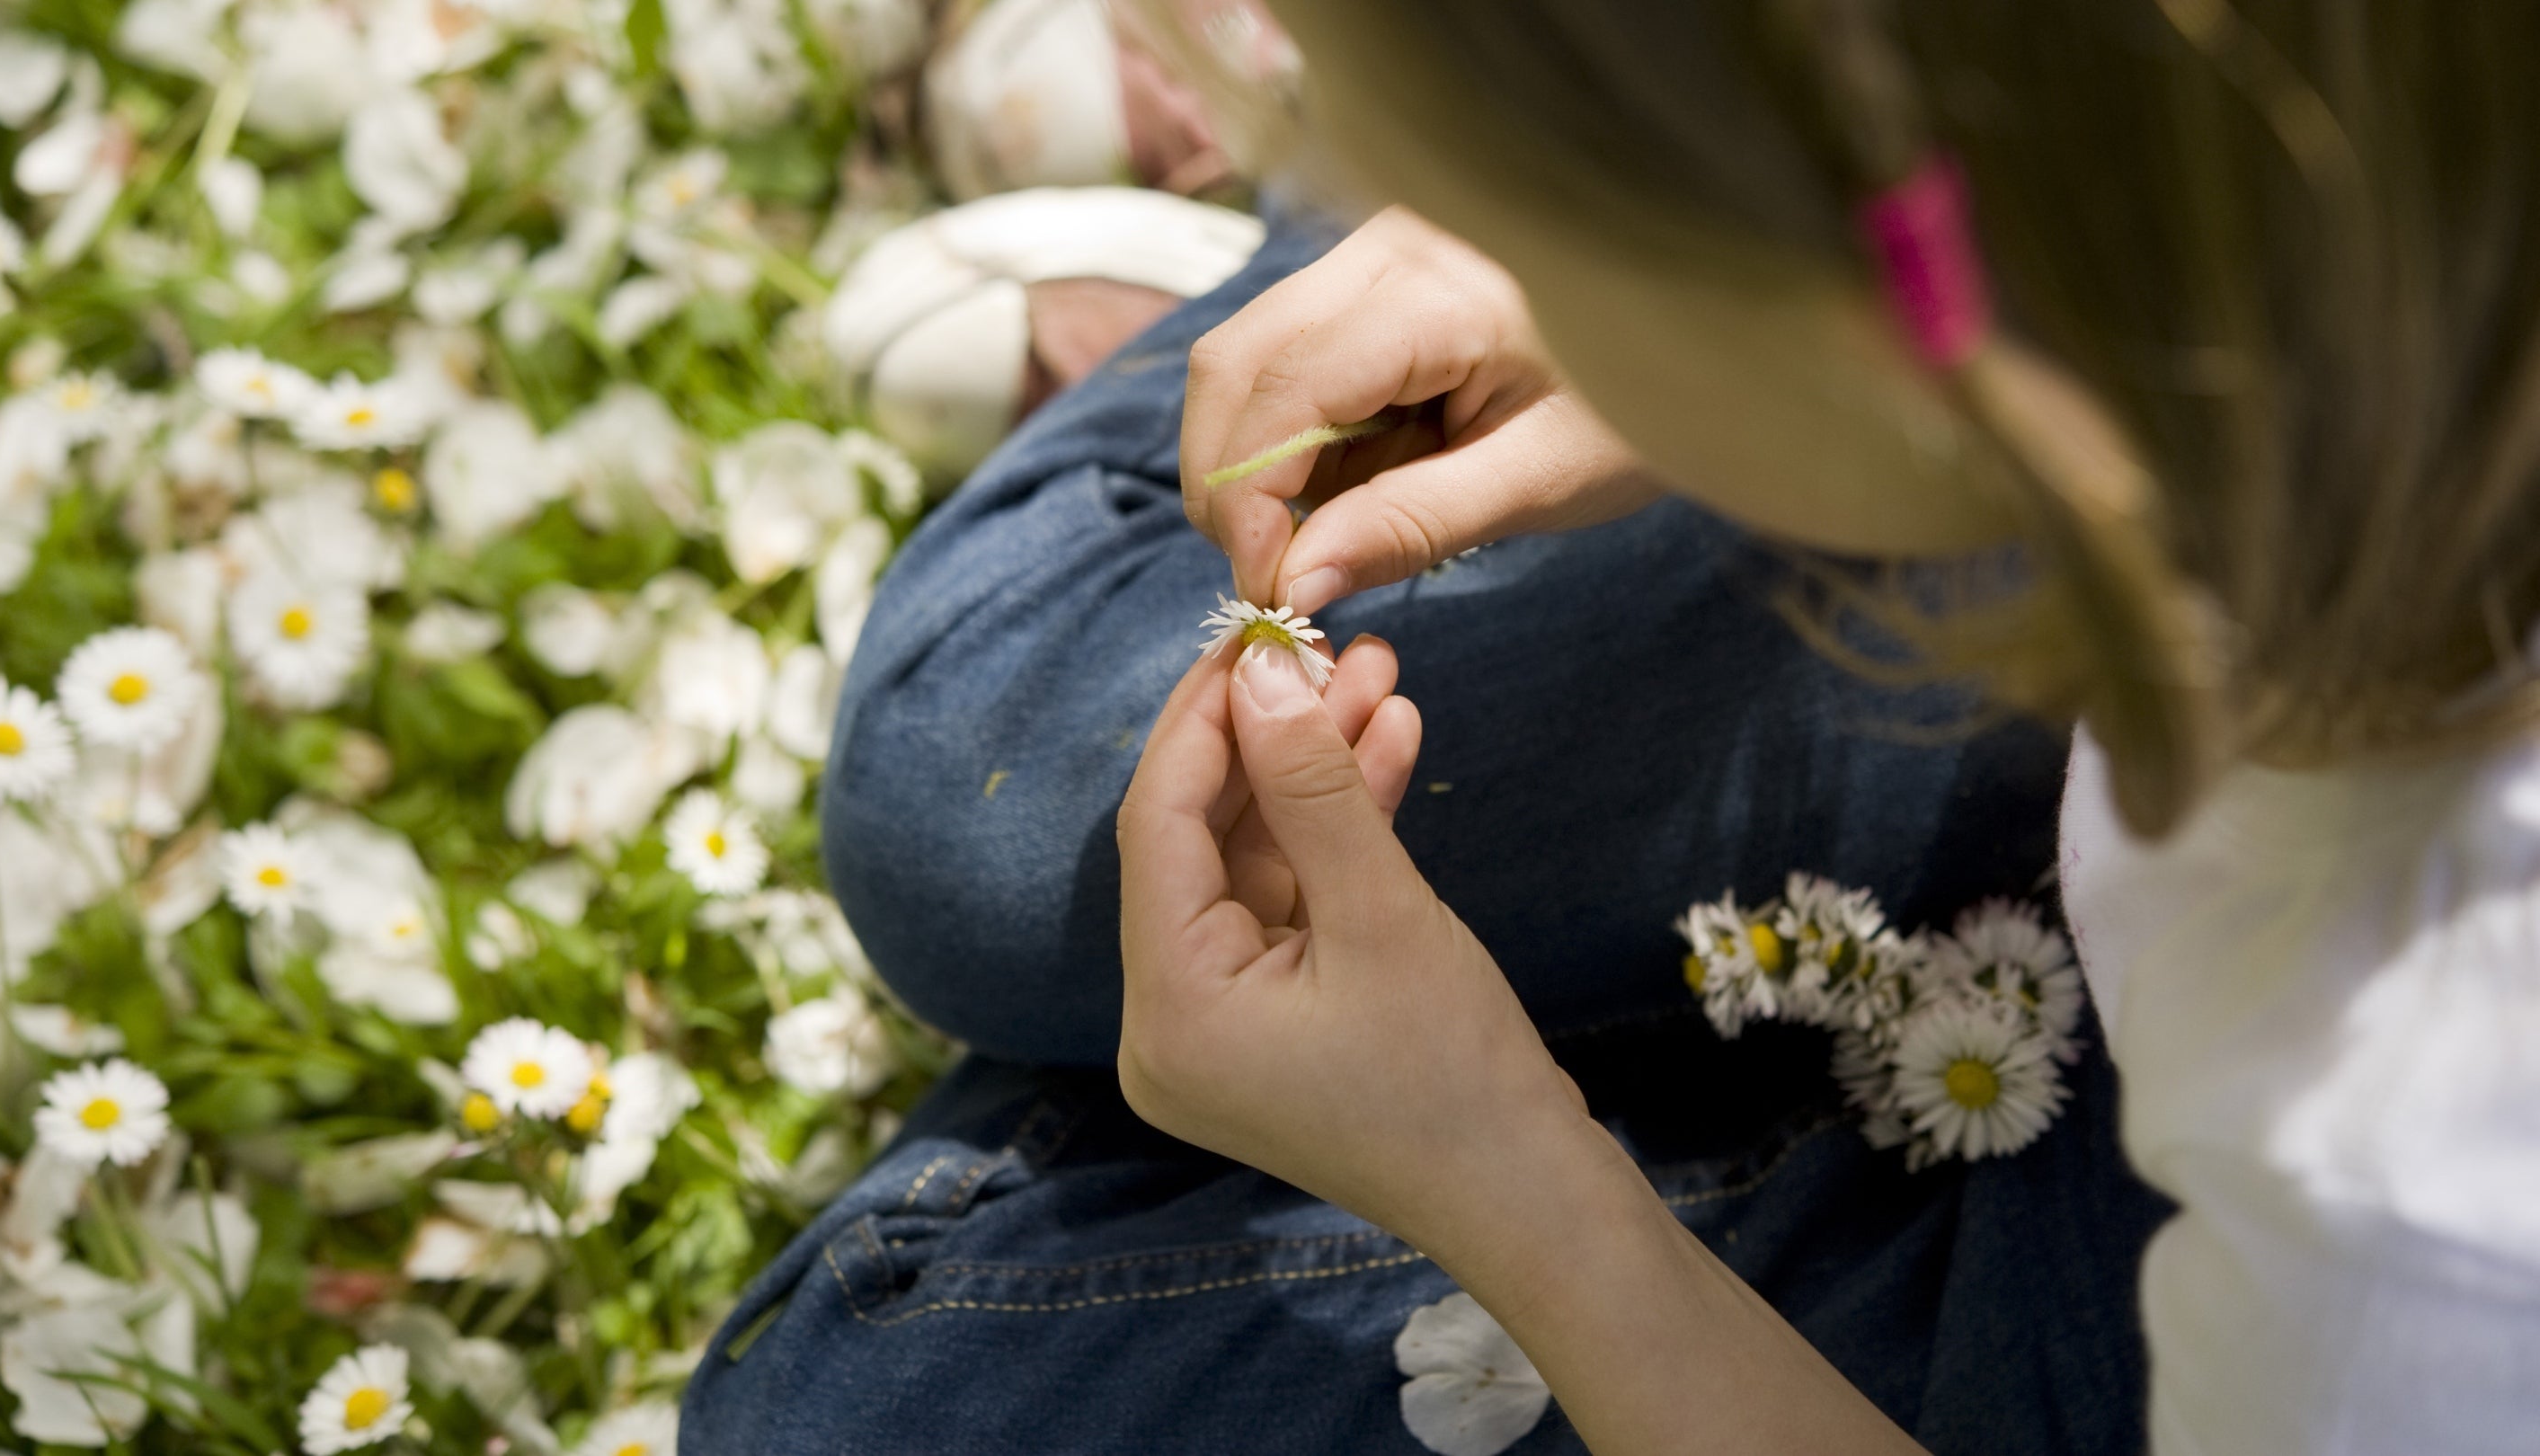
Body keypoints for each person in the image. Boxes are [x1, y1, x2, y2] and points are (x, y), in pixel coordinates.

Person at [1112, 3, 2540, 1452]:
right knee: (978, 832)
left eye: (1525, 233)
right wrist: (1641, 311)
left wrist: (1504, 1170)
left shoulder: (2416, 1245)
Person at [681, 204, 2168, 1452]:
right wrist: (1712, 331)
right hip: (2149, 624)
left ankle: (1280, 1067)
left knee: (838, 1414)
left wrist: (1508, 1172)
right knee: (966, 799)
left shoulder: (2372, 1268)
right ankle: (1415, 214)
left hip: (2113, 1277)